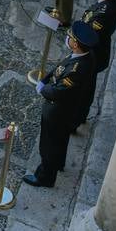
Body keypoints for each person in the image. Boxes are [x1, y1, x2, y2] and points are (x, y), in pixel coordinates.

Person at [23, 21, 98, 188]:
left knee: (49, 144)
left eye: (70, 37)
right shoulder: (81, 55)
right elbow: (60, 67)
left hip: (58, 111)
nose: (67, 38)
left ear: (76, 44)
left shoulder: (78, 68)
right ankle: (59, 163)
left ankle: (45, 177)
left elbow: (58, 91)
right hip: (65, 110)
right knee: (60, 140)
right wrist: (45, 79)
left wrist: (43, 89)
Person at [76, 0, 116, 130]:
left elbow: (89, 36)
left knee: (84, 88)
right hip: (94, 51)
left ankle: (77, 117)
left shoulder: (105, 12)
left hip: (93, 54)